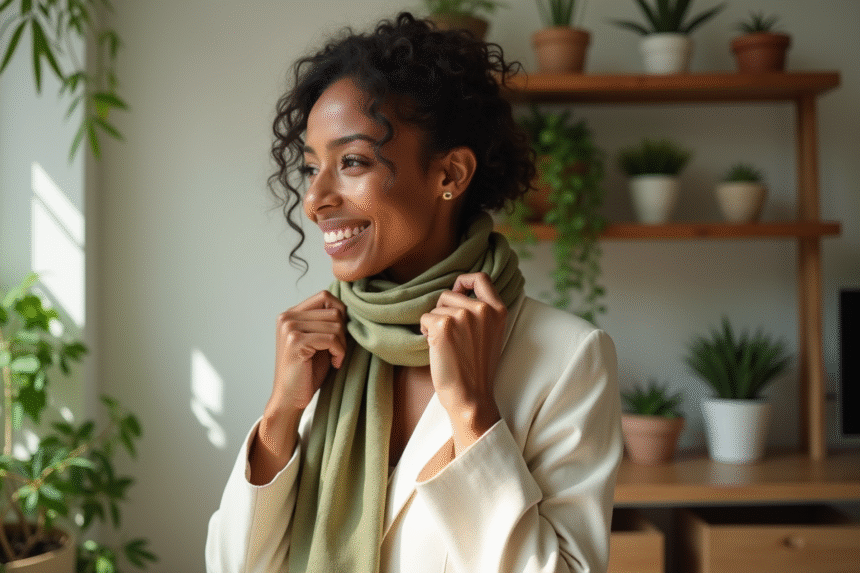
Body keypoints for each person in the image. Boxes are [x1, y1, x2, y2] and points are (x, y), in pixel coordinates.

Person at [206, 12, 621, 573]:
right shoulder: (321, 347)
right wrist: (281, 415)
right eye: (311, 168)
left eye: (352, 161)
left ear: (450, 174)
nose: (315, 200)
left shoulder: (567, 357)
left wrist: (473, 415)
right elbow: (234, 567)